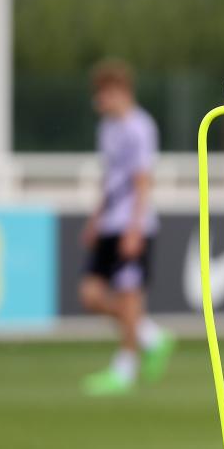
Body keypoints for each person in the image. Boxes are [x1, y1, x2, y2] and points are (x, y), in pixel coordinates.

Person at [79, 59, 175, 396]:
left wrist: (135, 228)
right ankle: (150, 336)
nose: (98, 102)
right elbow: (110, 178)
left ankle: (125, 368)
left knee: (129, 297)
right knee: (90, 295)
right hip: (109, 223)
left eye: (102, 95)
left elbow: (142, 180)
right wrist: (95, 218)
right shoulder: (107, 128)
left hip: (134, 225)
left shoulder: (140, 127)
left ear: (118, 91)